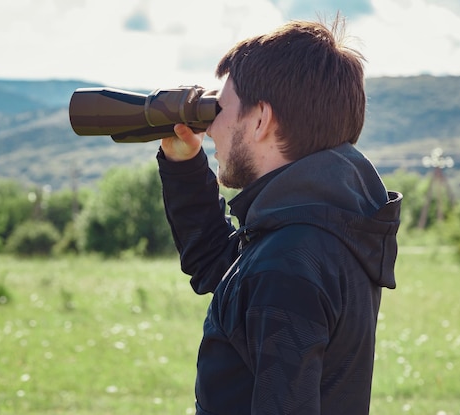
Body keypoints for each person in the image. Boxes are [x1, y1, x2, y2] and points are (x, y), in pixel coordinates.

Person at [156, 16, 402, 415]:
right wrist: (184, 165)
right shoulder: (317, 228)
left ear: (260, 120)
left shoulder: (290, 262)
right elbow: (221, 271)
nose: (211, 126)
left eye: (220, 107)